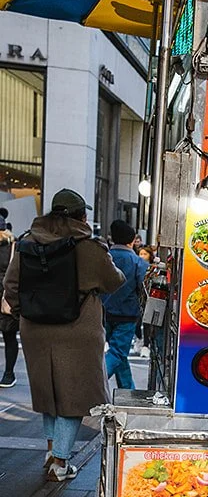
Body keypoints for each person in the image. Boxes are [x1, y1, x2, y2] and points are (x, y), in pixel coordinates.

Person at [2, 188, 123, 480]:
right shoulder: (88, 247)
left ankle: (51, 452)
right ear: (81, 215)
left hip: (36, 330)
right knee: (74, 395)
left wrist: (23, 313)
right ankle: (60, 462)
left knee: (48, 392)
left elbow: (11, 284)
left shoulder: (29, 242)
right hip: (77, 329)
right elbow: (113, 281)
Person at [102, 220, 149, 389]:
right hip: (127, 314)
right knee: (118, 352)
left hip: (104, 311)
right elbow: (143, 288)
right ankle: (93, 383)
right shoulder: (138, 262)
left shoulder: (104, 257)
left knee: (119, 354)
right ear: (131, 241)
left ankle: (128, 389)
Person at [0, 225, 18, 386]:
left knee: (9, 335)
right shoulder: (14, 245)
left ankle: (9, 373)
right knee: (9, 336)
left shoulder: (13, 246)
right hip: (8, 296)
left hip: (6, 297)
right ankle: (8, 374)